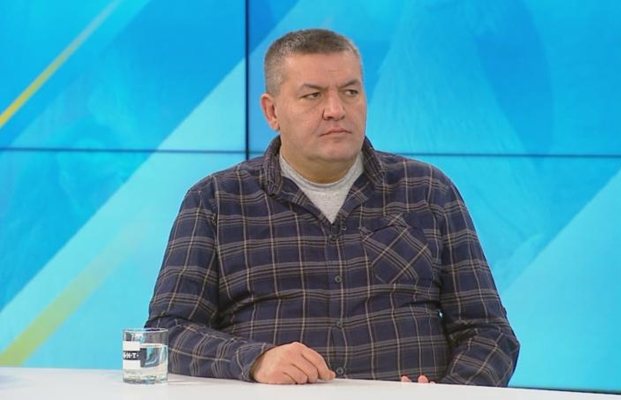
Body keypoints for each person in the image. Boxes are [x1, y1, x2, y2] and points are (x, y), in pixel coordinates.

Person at [146, 28, 519, 386]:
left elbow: (489, 333)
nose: (336, 110)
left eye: (350, 92)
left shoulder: (427, 191)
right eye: (313, 95)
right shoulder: (215, 200)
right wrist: (254, 360)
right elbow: (168, 333)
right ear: (272, 111)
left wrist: (452, 392)